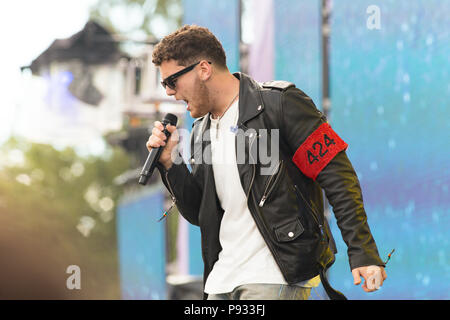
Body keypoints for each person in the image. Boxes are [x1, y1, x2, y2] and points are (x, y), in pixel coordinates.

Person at [147, 24, 387, 300]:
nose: (168, 92)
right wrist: (170, 164)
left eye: (171, 81)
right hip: (221, 280)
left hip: (273, 275)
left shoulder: (279, 104)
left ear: (203, 69)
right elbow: (202, 214)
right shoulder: (201, 131)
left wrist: (363, 252)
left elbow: (338, 177)